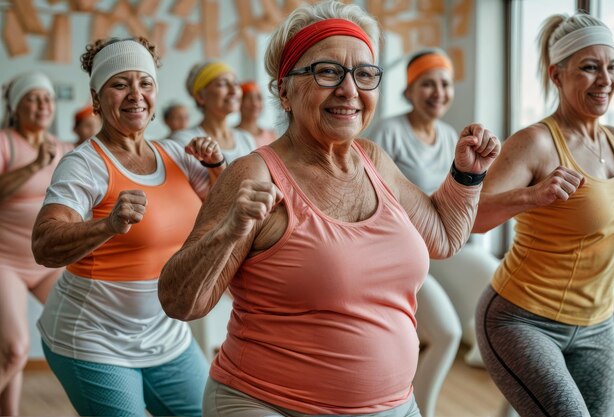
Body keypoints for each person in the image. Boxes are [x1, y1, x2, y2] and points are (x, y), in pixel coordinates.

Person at [158, 2, 500, 416]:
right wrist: (228, 231)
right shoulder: (255, 175)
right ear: (283, 91)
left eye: (364, 73)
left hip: (393, 405)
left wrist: (467, 176)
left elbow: (444, 237)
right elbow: (180, 302)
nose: (349, 89)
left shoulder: (374, 160)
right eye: (327, 72)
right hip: (267, 403)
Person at [31, 37, 226, 417]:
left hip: (164, 336)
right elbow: (44, 244)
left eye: (145, 83)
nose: (135, 94)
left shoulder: (175, 154)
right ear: (96, 98)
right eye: (120, 84)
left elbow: (226, 211)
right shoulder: (85, 164)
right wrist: (108, 225)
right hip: (91, 340)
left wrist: (218, 166)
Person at [473, 13, 614, 417]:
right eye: (589, 68)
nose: (605, 79)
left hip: (598, 323)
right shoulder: (536, 143)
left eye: (611, 67)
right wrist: (532, 196)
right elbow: (470, 220)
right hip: (521, 319)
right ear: (557, 76)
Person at [369, 48, 499, 417]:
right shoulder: (388, 132)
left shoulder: (447, 136)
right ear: (409, 91)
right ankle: (420, 411)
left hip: (439, 247)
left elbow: (461, 199)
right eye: (427, 83)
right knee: (446, 334)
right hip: (400, 253)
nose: (438, 92)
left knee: (499, 284)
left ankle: (488, 355)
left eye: (444, 83)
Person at [0, 71, 73, 416]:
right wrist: (34, 166)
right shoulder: (5, 142)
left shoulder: (63, 149)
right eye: (33, 98)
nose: (42, 104)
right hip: (5, 262)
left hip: (47, 263)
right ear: (16, 107)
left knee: (80, 332)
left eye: (46, 98)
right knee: (14, 349)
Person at [172, 59, 255, 163]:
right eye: (222, 84)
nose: (233, 90)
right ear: (200, 96)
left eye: (236, 83)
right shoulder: (185, 141)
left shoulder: (246, 139)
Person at [236, 80, 277, 147]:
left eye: (259, 98)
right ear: (239, 102)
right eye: (249, 98)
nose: (255, 103)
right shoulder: (230, 136)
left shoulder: (271, 136)